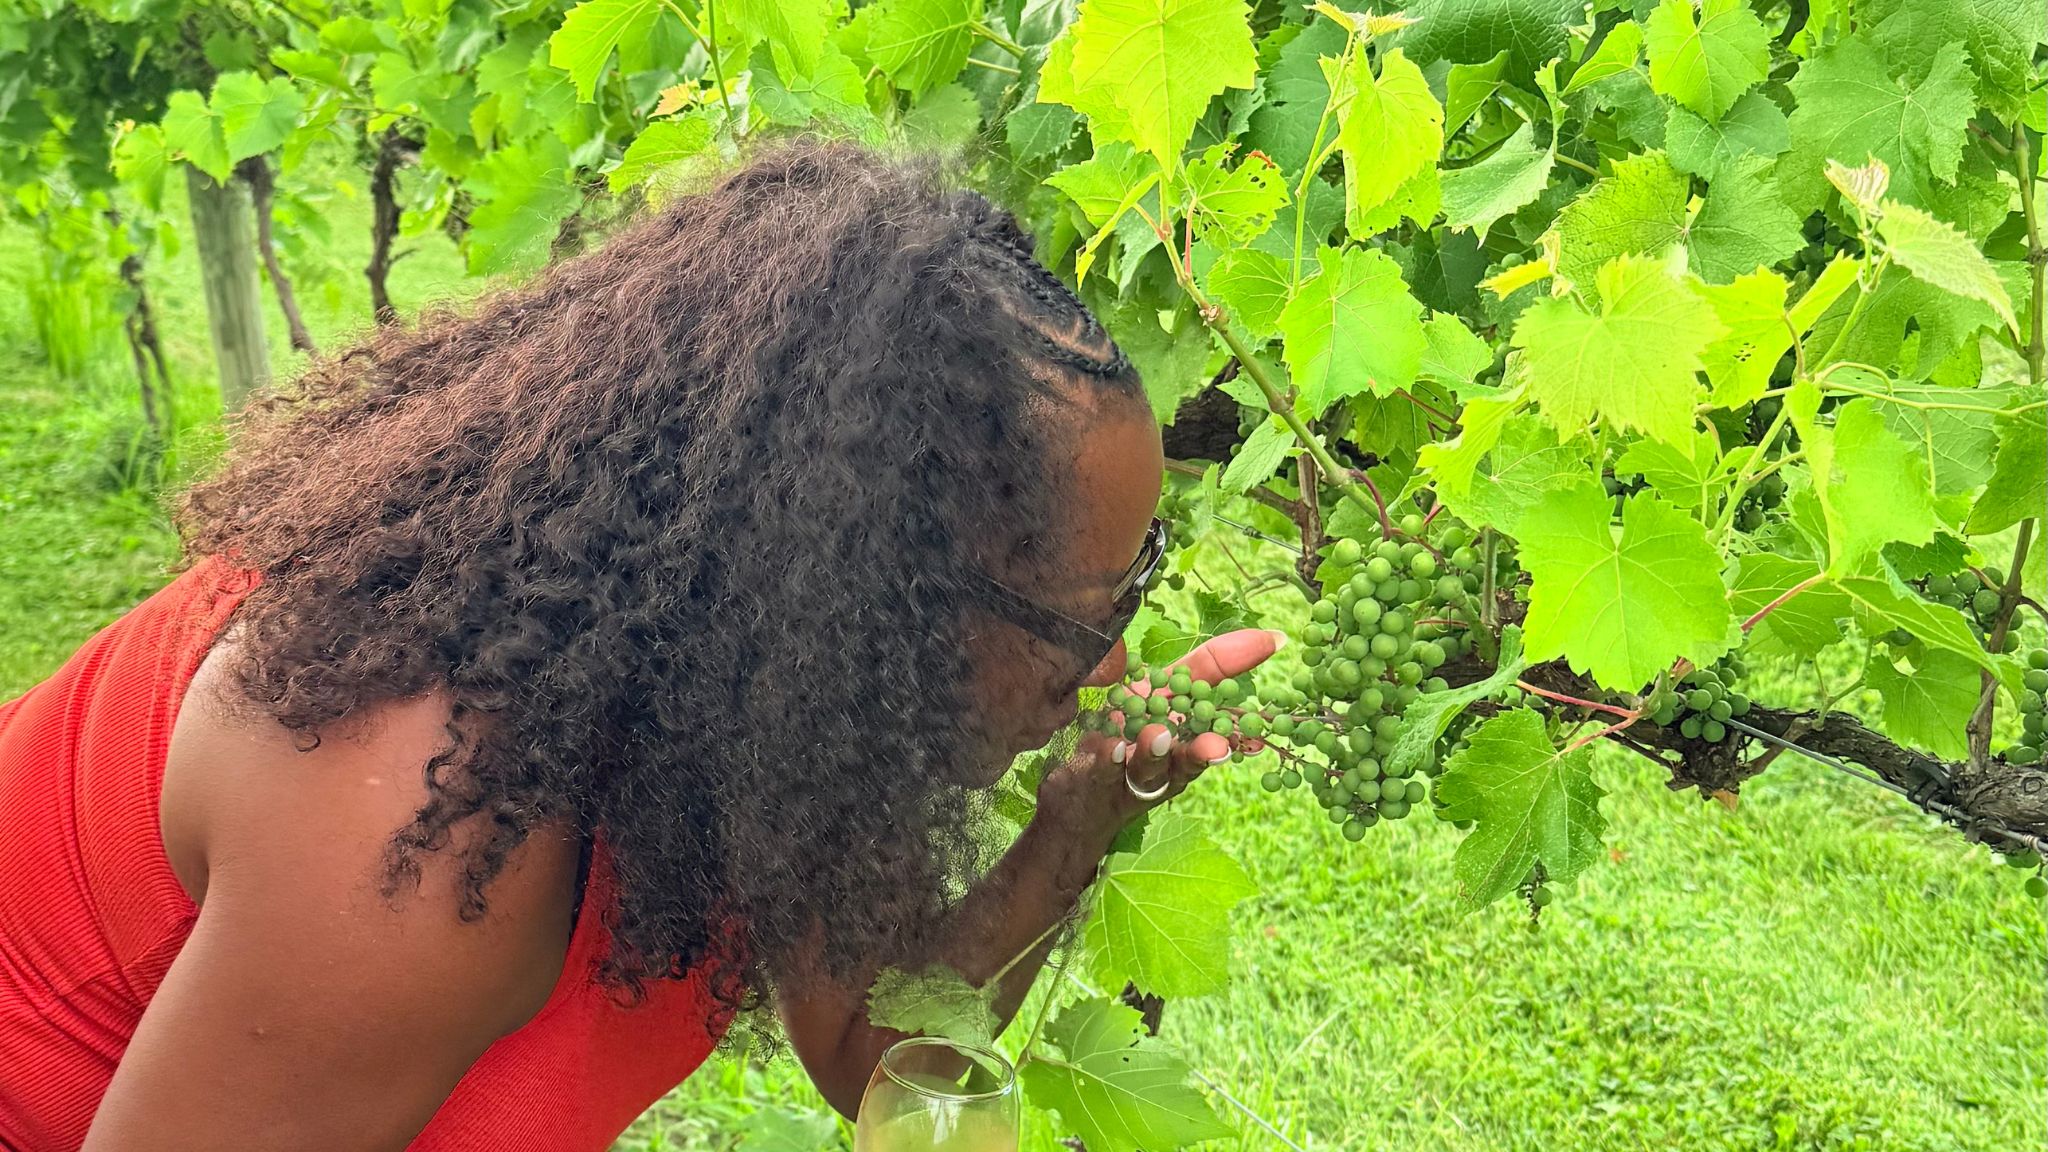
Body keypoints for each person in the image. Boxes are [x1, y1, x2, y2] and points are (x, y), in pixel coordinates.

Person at [0, 142, 1279, 1151]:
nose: (1111, 662)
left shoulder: (759, 701)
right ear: (868, 598)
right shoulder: (416, 826)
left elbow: (869, 1063)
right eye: (1086, 615)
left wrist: (1073, 828)